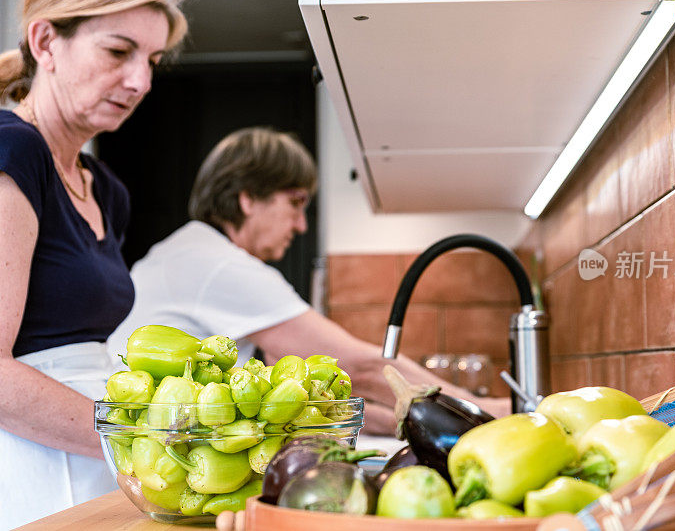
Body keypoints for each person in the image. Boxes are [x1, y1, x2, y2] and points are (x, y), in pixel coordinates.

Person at [107, 126, 510, 436]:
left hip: (145, 442)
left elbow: (309, 397)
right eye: (295, 203)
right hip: (147, 448)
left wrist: (400, 422)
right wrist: (487, 411)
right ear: (248, 198)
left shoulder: (191, 251)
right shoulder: (219, 267)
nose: (300, 224)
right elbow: (363, 367)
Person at [0, 0, 186, 527]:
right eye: (118, 51)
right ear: (44, 43)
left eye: (152, 59)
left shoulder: (104, 190)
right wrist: (144, 436)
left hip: (94, 452)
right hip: (29, 466)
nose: (140, 81)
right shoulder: (12, 153)